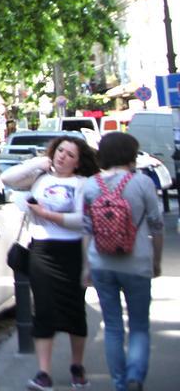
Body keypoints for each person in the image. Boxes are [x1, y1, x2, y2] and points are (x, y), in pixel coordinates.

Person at [2, 135, 99, 390]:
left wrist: (47, 214)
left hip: (72, 251)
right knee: (43, 310)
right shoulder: (40, 178)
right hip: (41, 250)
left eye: (70, 154)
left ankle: (77, 366)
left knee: (75, 310)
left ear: (78, 163)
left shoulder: (83, 184)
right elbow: (7, 178)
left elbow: (82, 219)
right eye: (60, 151)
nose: (62, 156)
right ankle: (43, 372)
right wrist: (37, 162)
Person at [83, 131, 164, 391]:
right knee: (139, 326)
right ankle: (134, 378)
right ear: (131, 155)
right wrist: (156, 261)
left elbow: (86, 229)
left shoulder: (91, 185)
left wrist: (86, 266)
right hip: (137, 261)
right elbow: (157, 226)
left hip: (102, 263)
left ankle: (119, 384)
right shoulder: (142, 184)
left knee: (113, 327)